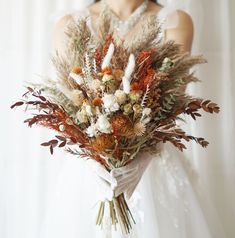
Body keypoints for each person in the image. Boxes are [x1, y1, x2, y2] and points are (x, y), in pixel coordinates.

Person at [40, 1, 225, 237]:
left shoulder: (175, 21)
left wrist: (141, 160)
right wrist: (93, 157)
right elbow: (69, 103)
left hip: (153, 163)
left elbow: (172, 103)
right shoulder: (69, 24)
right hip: (89, 172)